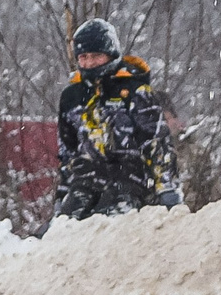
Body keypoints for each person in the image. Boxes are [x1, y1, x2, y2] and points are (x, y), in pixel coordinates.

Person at [54, 18, 179, 221]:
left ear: (110, 54)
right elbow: (67, 150)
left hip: (130, 175)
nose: (89, 63)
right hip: (87, 176)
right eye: (83, 57)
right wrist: (62, 193)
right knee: (68, 223)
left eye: (96, 56)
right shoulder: (72, 97)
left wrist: (165, 188)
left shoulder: (134, 91)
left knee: (111, 220)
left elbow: (156, 142)